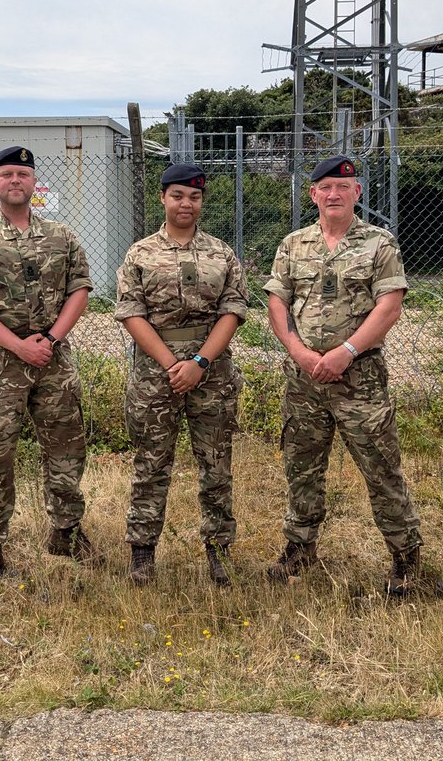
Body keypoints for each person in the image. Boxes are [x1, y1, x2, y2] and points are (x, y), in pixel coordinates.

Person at [263, 154, 423, 594]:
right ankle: (299, 549)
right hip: (304, 380)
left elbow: (389, 306)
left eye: (342, 187)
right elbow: (277, 301)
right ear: (312, 194)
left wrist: (346, 352)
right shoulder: (293, 244)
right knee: (302, 466)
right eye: (325, 187)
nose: (333, 194)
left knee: (381, 467)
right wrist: (298, 351)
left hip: (360, 379)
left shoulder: (379, 244)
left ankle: (404, 557)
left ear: (357, 193)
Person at [0, 145, 94, 598]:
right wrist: (16, 345)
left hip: (52, 362)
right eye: (7, 174)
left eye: (24, 174)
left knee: (66, 448)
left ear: (35, 184)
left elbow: (80, 289)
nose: (16, 181)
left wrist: (48, 342)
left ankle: (66, 531)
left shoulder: (62, 236)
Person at [115, 163, 248, 586]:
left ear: (201, 201)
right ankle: (142, 553)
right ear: (163, 198)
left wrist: (200, 363)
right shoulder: (139, 253)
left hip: (212, 371)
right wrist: (173, 365)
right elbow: (130, 312)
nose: (185, 204)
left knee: (216, 464)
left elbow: (233, 310)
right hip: (157, 373)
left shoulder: (221, 253)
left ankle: (218, 552)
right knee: (151, 464)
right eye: (177, 196)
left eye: (193, 197)